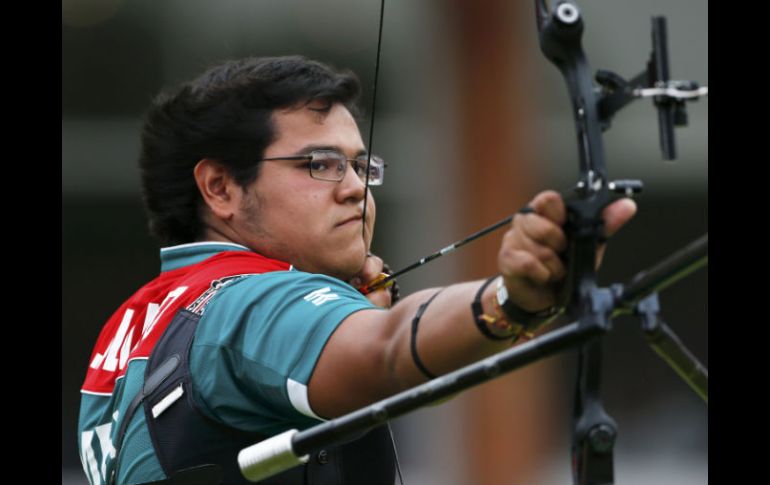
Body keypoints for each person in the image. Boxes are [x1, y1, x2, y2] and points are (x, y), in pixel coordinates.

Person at [77, 55, 636, 485]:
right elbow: (388, 348)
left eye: (361, 165)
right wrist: (514, 300)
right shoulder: (247, 303)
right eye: (319, 164)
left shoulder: (131, 328)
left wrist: (344, 323)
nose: (354, 188)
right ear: (220, 188)